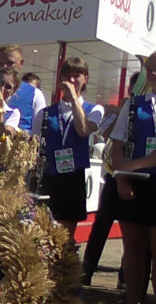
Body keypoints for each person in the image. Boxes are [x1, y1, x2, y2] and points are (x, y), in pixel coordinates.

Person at [110, 50, 156, 304]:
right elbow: (116, 152)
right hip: (136, 185)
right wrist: (124, 176)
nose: (150, 73)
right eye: (148, 68)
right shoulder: (134, 105)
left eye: (155, 68)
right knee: (133, 249)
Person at [32, 57, 103, 240]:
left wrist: (74, 101)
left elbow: (83, 130)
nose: (71, 81)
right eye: (67, 76)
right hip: (49, 176)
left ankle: (64, 266)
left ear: (85, 78)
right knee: (42, 231)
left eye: (76, 76)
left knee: (65, 236)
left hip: (73, 178)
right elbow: (33, 143)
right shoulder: (45, 113)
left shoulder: (94, 109)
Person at [83, 72, 140, 286]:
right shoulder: (125, 109)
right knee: (101, 224)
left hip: (137, 175)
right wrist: (122, 112)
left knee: (132, 229)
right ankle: (86, 271)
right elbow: (106, 133)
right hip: (114, 174)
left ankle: (126, 277)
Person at [0, 43, 46, 133]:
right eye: (1, 63)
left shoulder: (35, 94)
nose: (5, 67)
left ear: (21, 63)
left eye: (10, 63)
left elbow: (40, 130)